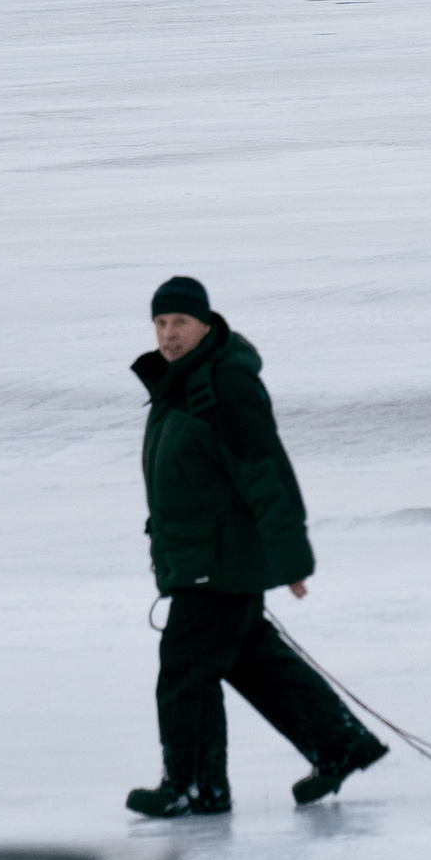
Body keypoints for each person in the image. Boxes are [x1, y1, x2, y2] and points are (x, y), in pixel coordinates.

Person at [125, 273, 388, 820]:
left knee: (185, 670)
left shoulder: (222, 386)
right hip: (201, 558)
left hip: (216, 562)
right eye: (161, 323)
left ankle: (194, 787)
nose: (169, 335)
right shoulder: (180, 384)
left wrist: (289, 556)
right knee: (252, 659)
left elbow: (265, 473)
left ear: (205, 324)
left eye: (180, 322)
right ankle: (339, 746)